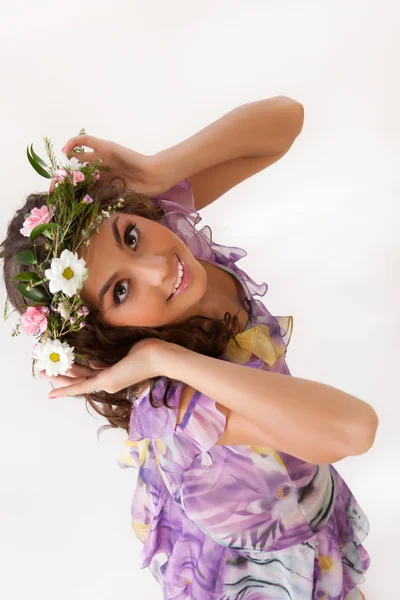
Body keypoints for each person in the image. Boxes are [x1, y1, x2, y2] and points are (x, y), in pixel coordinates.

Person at [1, 106, 373, 599]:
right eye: (119, 292)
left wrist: (160, 167)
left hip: (294, 466)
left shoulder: (171, 236)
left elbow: (286, 122)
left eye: (129, 236)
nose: (158, 267)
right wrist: (165, 359)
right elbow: (353, 429)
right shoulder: (176, 401)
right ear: (106, 335)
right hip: (264, 541)